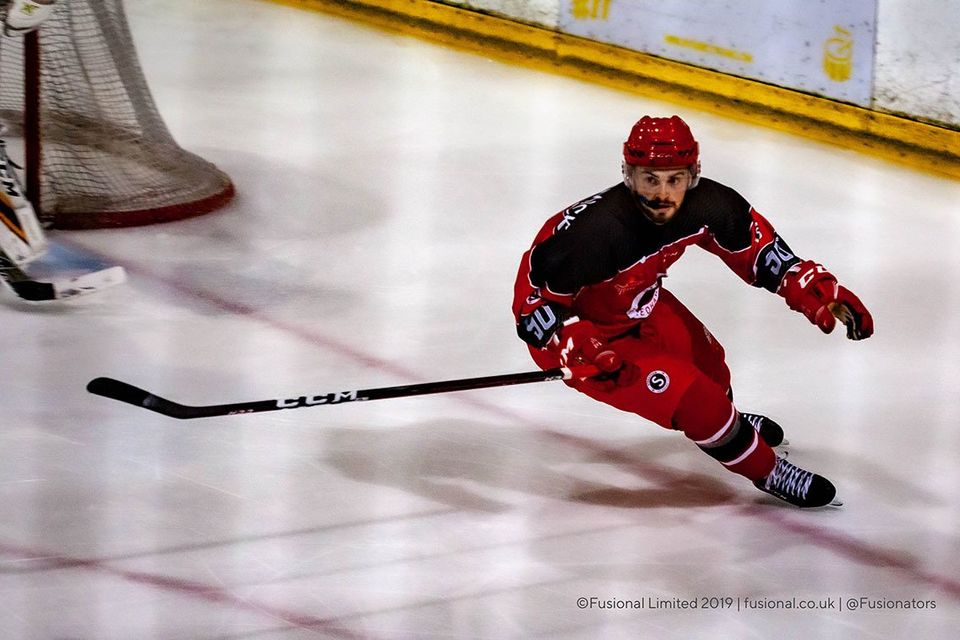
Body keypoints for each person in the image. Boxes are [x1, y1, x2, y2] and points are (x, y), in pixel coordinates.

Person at [512, 115, 873, 508]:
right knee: (700, 401)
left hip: (637, 302)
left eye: (675, 179)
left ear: (694, 174)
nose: (662, 194)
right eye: (650, 178)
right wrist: (571, 338)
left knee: (712, 366)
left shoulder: (710, 205)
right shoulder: (593, 236)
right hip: (585, 341)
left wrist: (815, 291)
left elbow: (759, 252)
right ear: (629, 175)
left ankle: (729, 426)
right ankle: (768, 470)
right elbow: (532, 303)